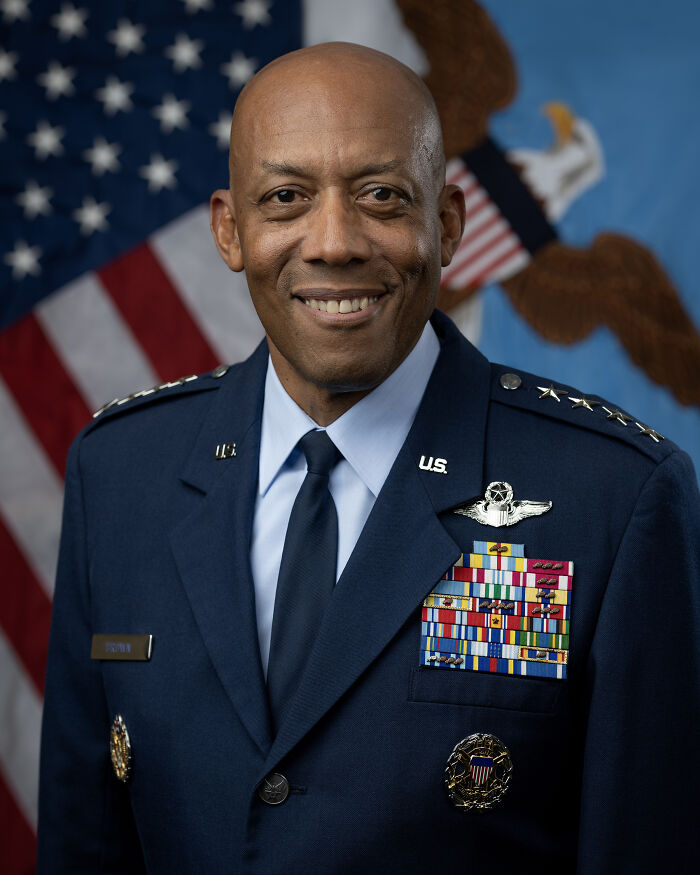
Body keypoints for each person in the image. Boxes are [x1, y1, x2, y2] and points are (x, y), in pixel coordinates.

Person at [37, 42, 699, 873]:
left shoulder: (615, 496)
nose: (335, 243)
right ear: (230, 230)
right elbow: (82, 840)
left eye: (382, 196)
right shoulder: (120, 473)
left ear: (448, 223)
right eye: (286, 198)